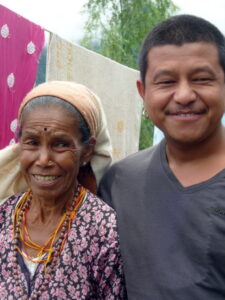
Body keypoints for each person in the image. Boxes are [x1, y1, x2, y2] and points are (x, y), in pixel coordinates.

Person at [98, 14, 225, 299]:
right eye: (166, 82)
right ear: (143, 92)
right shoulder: (118, 183)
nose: (183, 95)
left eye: (202, 79)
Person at [0, 81, 127, 299]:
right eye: (32, 142)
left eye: (60, 144)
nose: (43, 160)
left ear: (87, 151)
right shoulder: (5, 215)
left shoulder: (105, 232)